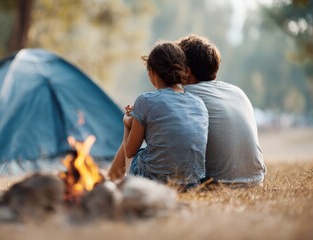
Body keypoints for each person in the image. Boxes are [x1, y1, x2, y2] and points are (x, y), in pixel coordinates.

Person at [108, 41, 209, 190]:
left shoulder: (145, 100)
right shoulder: (199, 103)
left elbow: (129, 151)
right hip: (191, 185)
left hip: (155, 183)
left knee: (138, 153)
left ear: (152, 72)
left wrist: (127, 125)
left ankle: (112, 181)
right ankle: (111, 179)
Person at [178, 35, 266, 186]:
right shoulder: (237, 91)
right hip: (256, 180)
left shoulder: (186, 94)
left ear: (186, 71)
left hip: (217, 184)